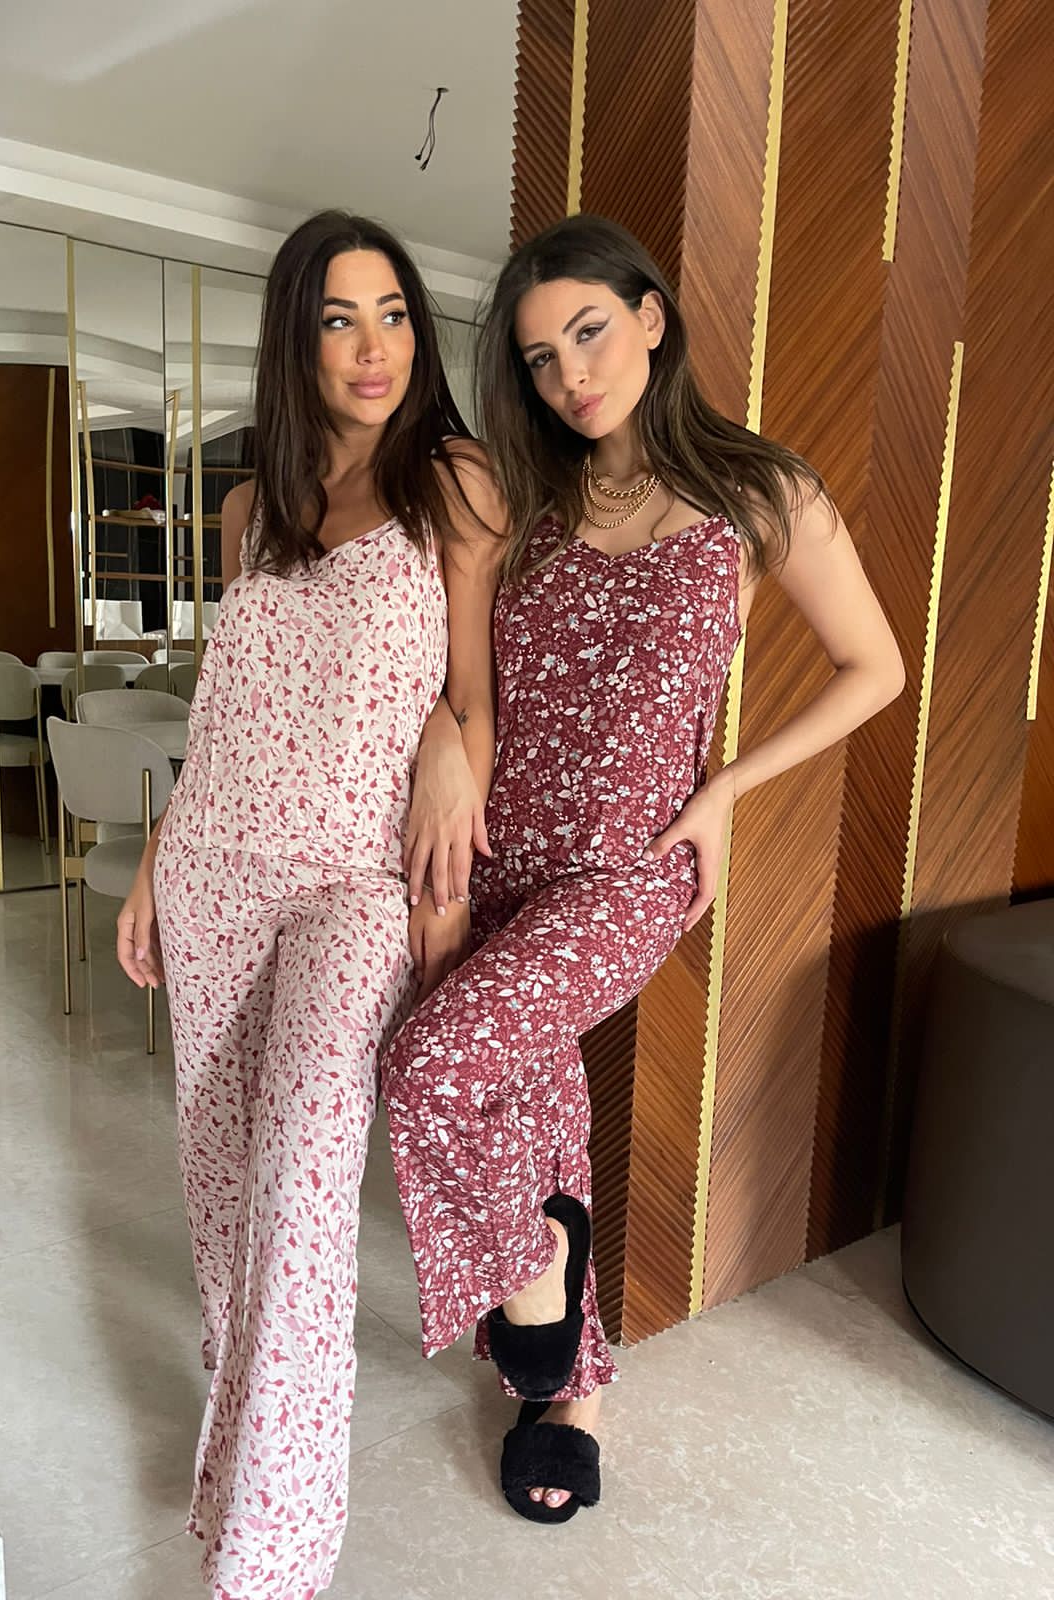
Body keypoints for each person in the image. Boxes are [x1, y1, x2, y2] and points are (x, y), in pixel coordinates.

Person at [381, 213, 905, 1525]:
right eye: (543, 357)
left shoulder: (757, 491)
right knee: (533, 1108)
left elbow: (877, 668)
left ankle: (539, 1276)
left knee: (432, 1065)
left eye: (590, 332)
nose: (570, 375)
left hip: (627, 871)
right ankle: (576, 1390)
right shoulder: (533, 499)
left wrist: (724, 789)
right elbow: (461, 668)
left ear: (652, 318)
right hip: (501, 854)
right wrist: (448, 744)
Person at [115, 210, 501, 1600]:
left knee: (303, 1190)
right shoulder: (246, 510)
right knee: (221, 1191)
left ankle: (268, 1560)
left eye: (393, 311)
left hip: (354, 884)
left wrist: (449, 768)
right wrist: (161, 853)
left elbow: (475, 701)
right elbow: (224, 713)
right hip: (220, 865)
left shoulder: (453, 481)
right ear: (297, 339)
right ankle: (241, 1426)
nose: (374, 344)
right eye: (339, 317)